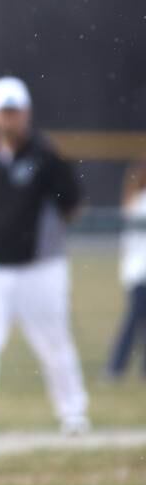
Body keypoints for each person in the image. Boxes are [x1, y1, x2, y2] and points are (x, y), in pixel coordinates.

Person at [0, 76, 90, 436]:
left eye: (15, 112)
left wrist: (44, 237)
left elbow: (73, 205)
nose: (9, 119)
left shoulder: (46, 155)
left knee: (54, 341)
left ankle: (73, 412)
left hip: (40, 267)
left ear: (27, 114)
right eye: (3, 112)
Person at [102, 161, 146, 382]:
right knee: (133, 321)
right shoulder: (140, 202)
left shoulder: (133, 201)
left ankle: (122, 368)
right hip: (141, 272)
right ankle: (116, 367)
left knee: (138, 321)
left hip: (134, 270)